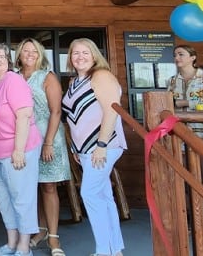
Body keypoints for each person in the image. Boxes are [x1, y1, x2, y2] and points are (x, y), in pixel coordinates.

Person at [60, 38, 126, 256]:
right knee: (104, 196)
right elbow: (76, 118)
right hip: (85, 149)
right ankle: (115, 249)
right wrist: (76, 150)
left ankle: (103, 251)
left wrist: (101, 145)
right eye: (75, 53)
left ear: (95, 55)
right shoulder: (75, 81)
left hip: (104, 145)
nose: (80, 57)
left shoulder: (101, 76)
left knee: (89, 193)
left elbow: (111, 110)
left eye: (85, 53)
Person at [0, 41, 41, 256]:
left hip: (20, 149)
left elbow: (24, 115)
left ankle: (24, 246)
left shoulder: (13, 80)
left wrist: (18, 150)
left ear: (8, 60)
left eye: (2, 56)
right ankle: (11, 243)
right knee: (4, 199)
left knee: (22, 198)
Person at [15, 38, 69, 256]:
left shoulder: (47, 77)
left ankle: (54, 238)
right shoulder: (14, 77)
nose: (30, 54)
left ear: (40, 54)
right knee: (31, 187)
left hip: (48, 136)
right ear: (19, 54)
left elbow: (56, 111)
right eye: (25, 51)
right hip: (23, 138)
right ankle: (40, 229)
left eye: (34, 51)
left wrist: (48, 142)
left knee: (48, 186)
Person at [167, 45, 203, 140]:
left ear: (192, 57)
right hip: (179, 132)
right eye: (175, 55)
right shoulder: (172, 80)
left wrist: (186, 103)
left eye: (181, 54)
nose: (176, 58)